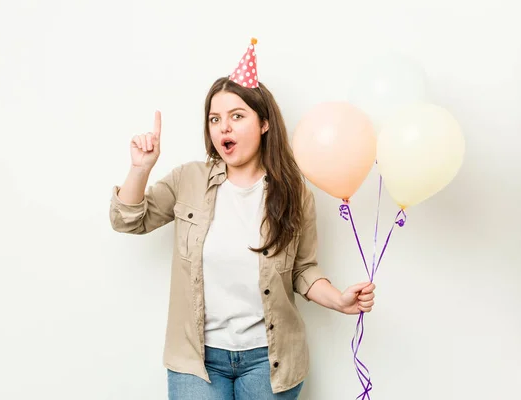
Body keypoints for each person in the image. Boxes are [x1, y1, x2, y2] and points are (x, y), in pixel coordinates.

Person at [109, 38, 376, 400]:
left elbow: (302, 270)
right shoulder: (187, 180)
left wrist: (339, 300)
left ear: (264, 123)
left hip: (270, 361)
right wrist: (140, 169)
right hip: (197, 361)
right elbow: (128, 220)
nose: (224, 128)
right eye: (215, 119)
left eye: (237, 116)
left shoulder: (294, 193)